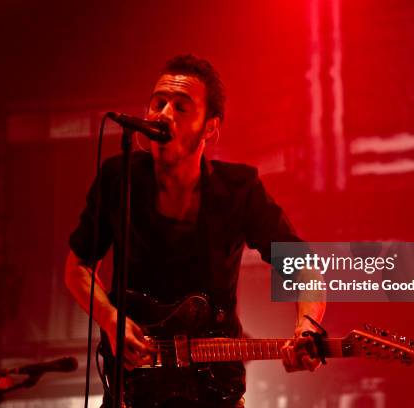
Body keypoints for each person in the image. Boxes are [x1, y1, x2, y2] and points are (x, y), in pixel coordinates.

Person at [65, 54, 326, 407]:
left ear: (210, 128)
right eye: (158, 102)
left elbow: (304, 266)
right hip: (132, 388)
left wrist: (306, 328)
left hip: (215, 391)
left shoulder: (239, 190)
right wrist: (112, 320)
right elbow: (77, 267)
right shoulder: (119, 178)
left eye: (181, 106)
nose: (163, 113)